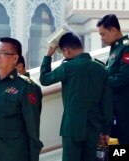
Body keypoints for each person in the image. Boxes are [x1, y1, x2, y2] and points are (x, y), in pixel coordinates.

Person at [40, 32, 113, 161]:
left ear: (66, 51)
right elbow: (107, 104)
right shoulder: (102, 69)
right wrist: (106, 131)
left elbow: (44, 79)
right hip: (93, 128)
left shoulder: (68, 67)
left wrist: (48, 56)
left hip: (72, 128)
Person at [0, 37, 43, 161]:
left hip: (12, 155)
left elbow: (33, 131)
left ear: (15, 58)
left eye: (2, 53)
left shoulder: (26, 87)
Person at [96, 14, 129, 144]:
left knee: (123, 144)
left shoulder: (126, 48)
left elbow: (124, 77)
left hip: (124, 110)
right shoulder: (115, 48)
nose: (102, 38)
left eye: (103, 34)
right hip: (115, 109)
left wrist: (103, 83)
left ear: (113, 30)